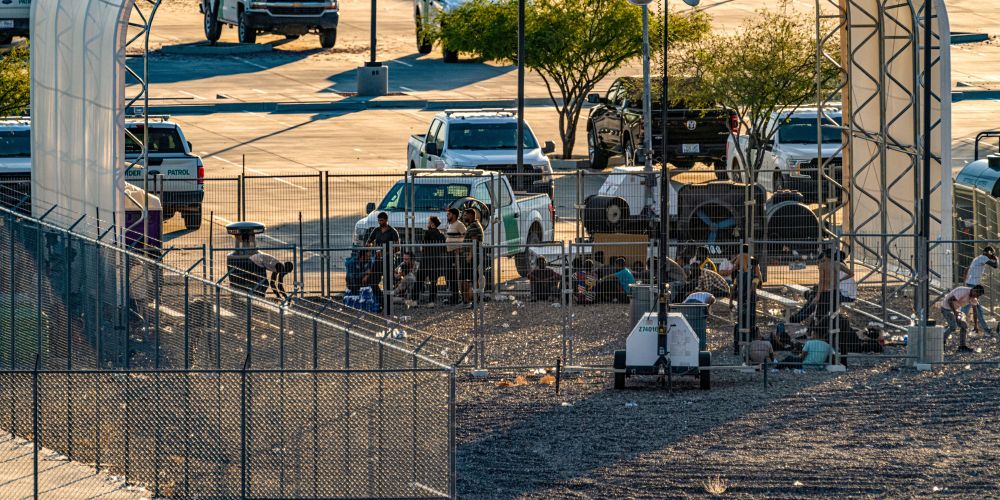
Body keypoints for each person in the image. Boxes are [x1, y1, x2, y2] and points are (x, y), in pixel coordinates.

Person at [790, 248, 855, 324]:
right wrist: (840, 280)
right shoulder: (838, 264)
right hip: (836, 292)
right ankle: (798, 317)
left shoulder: (824, 266)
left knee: (813, 301)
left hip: (832, 293)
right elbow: (851, 274)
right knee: (812, 298)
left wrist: (817, 296)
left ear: (825, 256)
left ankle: (798, 318)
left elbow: (822, 282)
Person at [730, 244, 762, 354]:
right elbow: (753, 287)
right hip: (750, 301)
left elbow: (733, 288)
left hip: (740, 300)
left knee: (740, 322)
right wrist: (752, 295)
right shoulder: (754, 276)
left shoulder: (739, 276)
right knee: (751, 322)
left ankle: (737, 347)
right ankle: (750, 344)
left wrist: (730, 302)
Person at [939, 284, 985, 353]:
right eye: (976, 294)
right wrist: (955, 313)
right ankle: (941, 341)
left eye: (978, 296)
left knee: (964, 326)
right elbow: (950, 300)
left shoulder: (974, 298)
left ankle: (962, 346)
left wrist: (976, 326)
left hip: (956, 310)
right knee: (953, 326)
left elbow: (975, 312)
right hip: (946, 308)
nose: (976, 297)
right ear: (974, 289)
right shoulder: (962, 291)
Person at [962, 247, 997, 336]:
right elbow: (995, 265)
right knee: (965, 310)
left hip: (971, 285)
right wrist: (995, 257)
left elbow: (967, 269)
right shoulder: (983, 258)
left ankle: (986, 330)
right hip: (973, 287)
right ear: (988, 253)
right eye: (991, 253)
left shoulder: (977, 258)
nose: (991, 255)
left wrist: (964, 283)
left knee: (977, 309)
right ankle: (950, 326)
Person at [417, 216, 447, 307]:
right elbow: (444, 249)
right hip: (437, 260)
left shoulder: (427, 233)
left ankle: (414, 300)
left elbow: (424, 247)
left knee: (419, 279)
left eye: (429, 222)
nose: (428, 224)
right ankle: (431, 302)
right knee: (434, 282)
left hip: (426, 260)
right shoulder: (441, 235)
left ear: (432, 223)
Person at [461, 207, 484, 306]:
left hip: (473, 256)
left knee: (468, 278)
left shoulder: (474, 225)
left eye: (465, 215)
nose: (464, 217)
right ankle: (474, 300)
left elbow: (474, 242)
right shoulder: (473, 225)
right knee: (473, 278)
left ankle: (470, 301)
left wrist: (470, 256)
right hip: (473, 256)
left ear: (471, 215)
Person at [444, 208, 466, 304]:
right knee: (450, 276)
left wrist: (460, 247)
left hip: (456, 254)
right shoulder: (451, 225)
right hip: (450, 253)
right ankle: (453, 296)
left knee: (454, 276)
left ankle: (456, 297)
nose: (447, 216)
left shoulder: (459, 224)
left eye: (449, 214)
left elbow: (466, 236)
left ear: (454, 215)